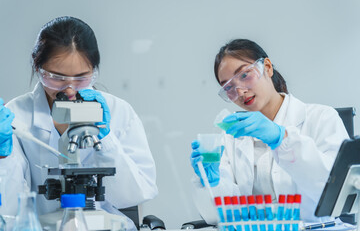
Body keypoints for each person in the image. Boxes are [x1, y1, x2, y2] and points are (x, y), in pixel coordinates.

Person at [0, 16, 158, 229]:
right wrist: (3, 156)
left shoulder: (118, 111)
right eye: (57, 77)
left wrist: (106, 141)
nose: (70, 89)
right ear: (37, 67)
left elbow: (134, 195)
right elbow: (9, 210)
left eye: (81, 78)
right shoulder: (17, 115)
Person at [190, 39, 348, 223]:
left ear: (267, 67)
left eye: (243, 75)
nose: (240, 92)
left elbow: (336, 194)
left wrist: (282, 139)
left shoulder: (321, 118)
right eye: (229, 87)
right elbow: (220, 216)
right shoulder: (230, 138)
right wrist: (212, 183)